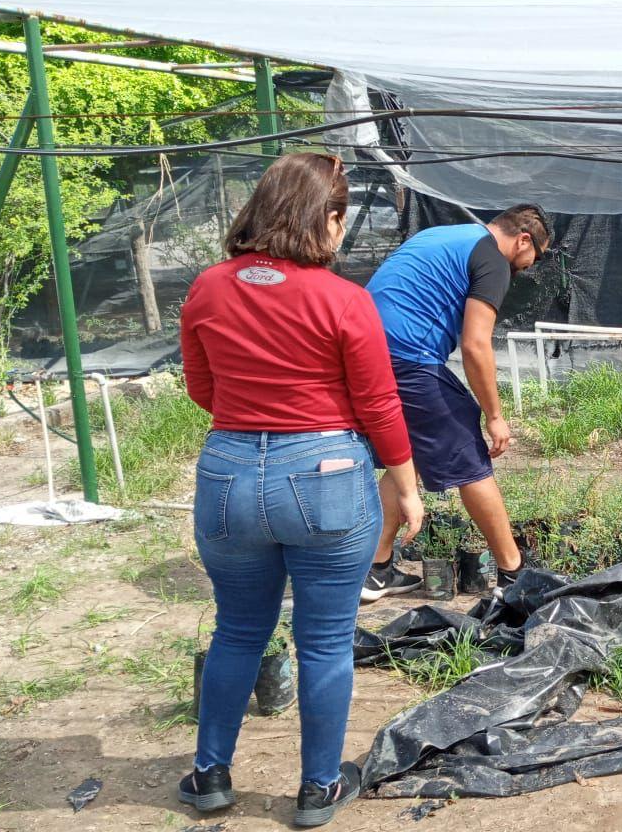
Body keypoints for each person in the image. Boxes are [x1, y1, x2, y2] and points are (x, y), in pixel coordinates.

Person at [179, 153, 425, 827]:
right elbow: (378, 404)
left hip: (228, 471)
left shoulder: (207, 288)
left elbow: (204, 389)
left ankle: (208, 776)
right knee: (323, 640)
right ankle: (317, 789)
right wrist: (406, 488)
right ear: (329, 218)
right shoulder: (343, 299)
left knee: (237, 629)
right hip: (326, 477)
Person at [360, 206, 551, 600]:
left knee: (404, 457)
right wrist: (495, 417)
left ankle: (374, 571)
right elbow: (475, 344)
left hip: (363, 354)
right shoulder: (492, 258)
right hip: (406, 357)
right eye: (538, 256)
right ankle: (515, 575)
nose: (531, 266)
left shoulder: (446, 236)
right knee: (470, 460)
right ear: (524, 240)